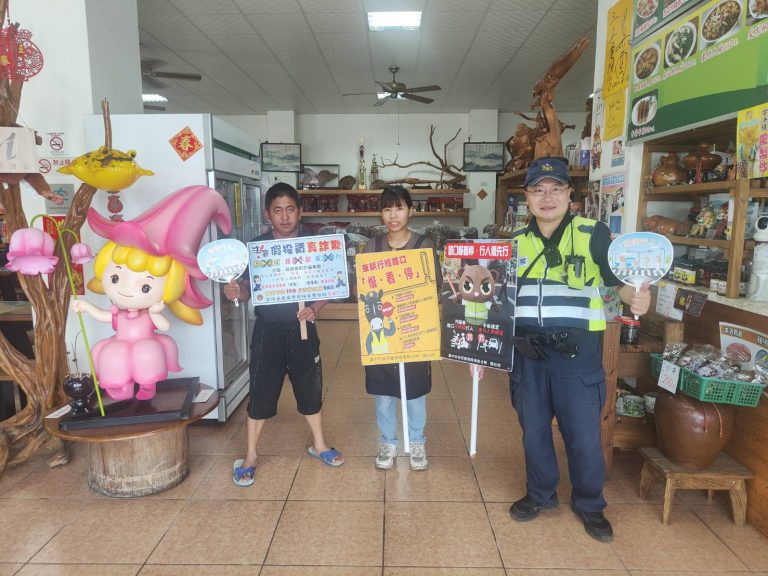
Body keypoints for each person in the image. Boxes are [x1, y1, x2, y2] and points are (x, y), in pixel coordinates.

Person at [505, 157, 651, 542]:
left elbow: (618, 284)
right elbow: (497, 300)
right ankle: (540, 493)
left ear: (570, 194)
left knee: (583, 433)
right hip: (526, 352)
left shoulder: (593, 233)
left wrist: (636, 297)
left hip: (577, 351)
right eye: (538, 190)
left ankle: (589, 503)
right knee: (533, 430)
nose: (547, 197)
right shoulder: (514, 243)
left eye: (556, 189)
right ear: (527, 197)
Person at [224, 182, 344, 487]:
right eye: (278, 210)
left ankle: (319, 445)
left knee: (310, 387)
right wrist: (237, 292)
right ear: (268, 214)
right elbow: (248, 290)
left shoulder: (313, 245)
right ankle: (250, 455)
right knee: (261, 391)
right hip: (267, 331)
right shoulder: (257, 248)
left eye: (290, 209)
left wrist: (314, 308)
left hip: (303, 330)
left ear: (300, 212)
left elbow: (330, 283)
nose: (285, 216)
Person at [360, 185, 440, 471]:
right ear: (381, 214)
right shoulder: (371, 247)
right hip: (382, 333)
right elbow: (363, 291)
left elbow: (434, 287)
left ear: (410, 211)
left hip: (413, 330)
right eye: (387, 209)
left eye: (399, 208)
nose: (393, 215)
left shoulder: (423, 245)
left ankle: (417, 441)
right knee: (383, 394)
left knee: (415, 393)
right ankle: (388, 441)